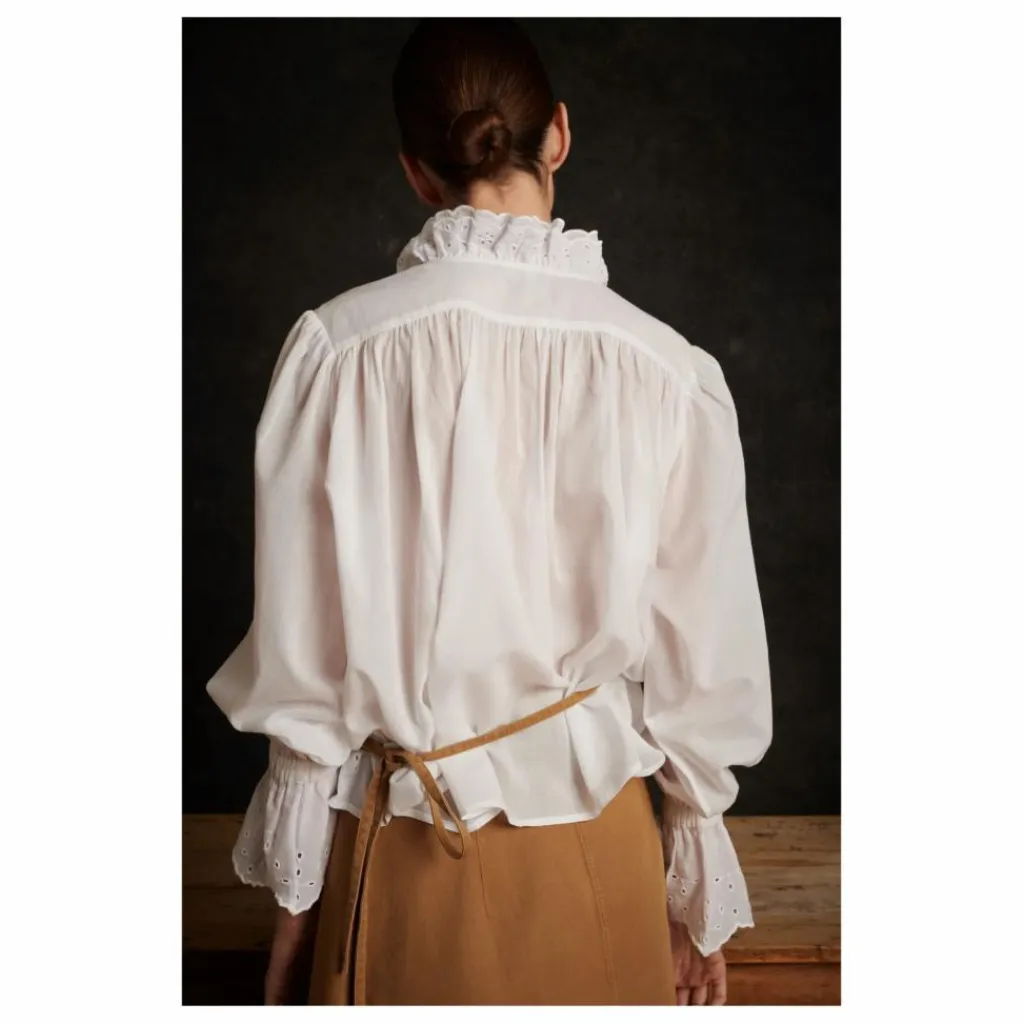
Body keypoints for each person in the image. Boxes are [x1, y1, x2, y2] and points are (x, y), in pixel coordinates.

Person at [207, 17, 771, 1007]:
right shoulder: (668, 371)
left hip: (396, 855)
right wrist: (692, 902)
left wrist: (299, 913)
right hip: (603, 859)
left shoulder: (336, 354)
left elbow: (304, 665)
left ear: (417, 173)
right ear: (559, 134)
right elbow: (707, 664)